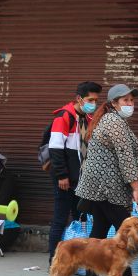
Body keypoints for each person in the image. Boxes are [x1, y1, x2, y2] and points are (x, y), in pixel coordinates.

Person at [75, 84, 138, 276]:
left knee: (99, 230)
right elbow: (125, 156)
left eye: (132, 100)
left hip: (101, 185)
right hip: (107, 187)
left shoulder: (115, 120)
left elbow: (122, 154)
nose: (130, 104)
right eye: (125, 100)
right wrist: (135, 187)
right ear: (113, 103)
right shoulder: (113, 121)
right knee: (126, 229)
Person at [47, 82, 101, 266]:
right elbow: (55, 148)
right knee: (60, 218)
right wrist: (62, 175)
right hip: (64, 178)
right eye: (90, 99)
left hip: (80, 179)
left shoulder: (86, 118)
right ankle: (54, 261)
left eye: (96, 100)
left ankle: (76, 260)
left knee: (80, 218)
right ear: (79, 98)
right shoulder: (64, 117)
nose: (93, 103)